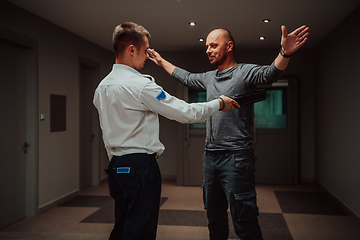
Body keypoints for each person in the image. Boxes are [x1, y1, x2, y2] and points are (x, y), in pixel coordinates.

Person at [148, 25, 309, 240]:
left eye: (214, 45)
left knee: (244, 222)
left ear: (229, 46)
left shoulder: (244, 72)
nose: (208, 50)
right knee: (214, 220)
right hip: (210, 158)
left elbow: (270, 73)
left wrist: (285, 52)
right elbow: (185, 77)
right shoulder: (209, 77)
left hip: (236, 157)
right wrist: (160, 61)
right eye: (207, 46)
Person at [93, 22, 239, 240]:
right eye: (145, 51)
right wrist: (219, 103)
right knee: (141, 230)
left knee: (123, 226)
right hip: (140, 168)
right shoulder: (140, 85)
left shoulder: (101, 87)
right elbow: (187, 112)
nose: (147, 56)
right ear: (132, 49)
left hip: (115, 167)